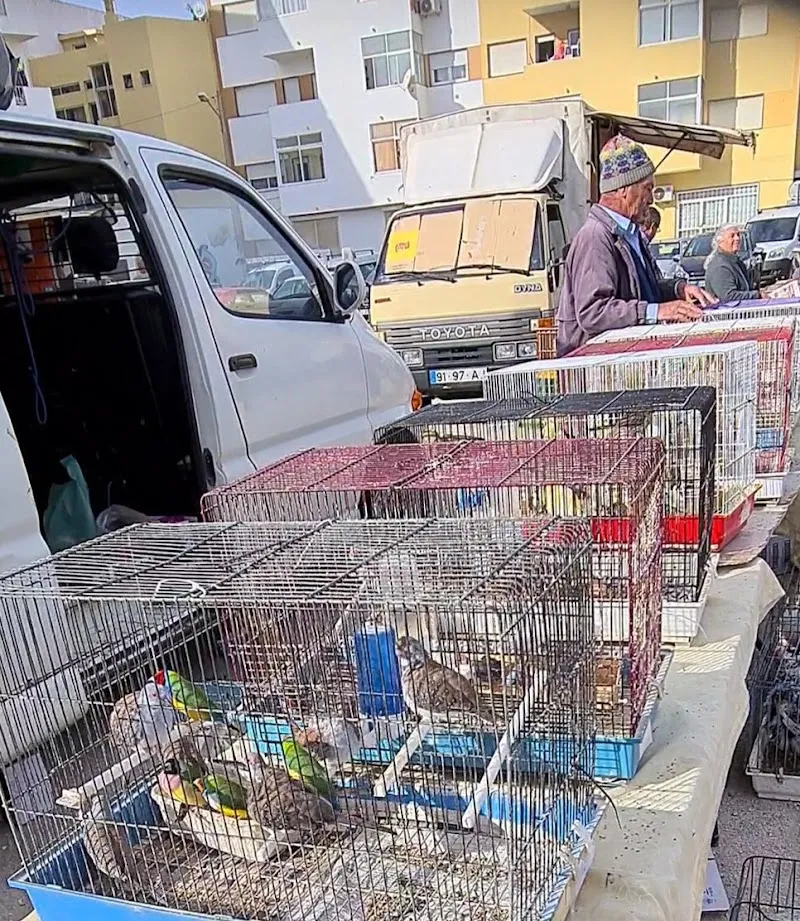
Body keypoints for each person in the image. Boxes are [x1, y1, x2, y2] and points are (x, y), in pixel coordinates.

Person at [556, 135, 715, 356]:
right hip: (597, 368)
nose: (651, 199)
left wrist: (678, 290)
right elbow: (593, 312)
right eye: (647, 188)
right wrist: (657, 311)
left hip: (625, 359)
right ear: (624, 189)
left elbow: (641, 289)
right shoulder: (595, 238)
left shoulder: (630, 234)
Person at [703, 224, 761, 302]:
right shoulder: (720, 267)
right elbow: (728, 297)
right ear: (720, 242)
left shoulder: (737, 262)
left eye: (738, 235)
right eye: (732, 236)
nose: (737, 238)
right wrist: (757, 295)